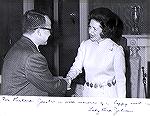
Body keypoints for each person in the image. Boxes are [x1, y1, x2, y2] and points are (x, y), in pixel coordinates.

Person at [1, 10, 67, 96]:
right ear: (39, 31)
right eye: (49, 30)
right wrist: (66, 83)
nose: (50, 34)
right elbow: (50, 86)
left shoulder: (18, 47)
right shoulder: (32, 56)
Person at [65, 7, 126, 98]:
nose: (90, 31)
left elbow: (121, 81)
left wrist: (121, 104)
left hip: (108, 96)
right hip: (88, 94)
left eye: (94, 29)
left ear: (105, 30)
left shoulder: (116, 50)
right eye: (89, 27)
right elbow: (76, 67)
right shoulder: (85, 45)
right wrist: (69, 78)